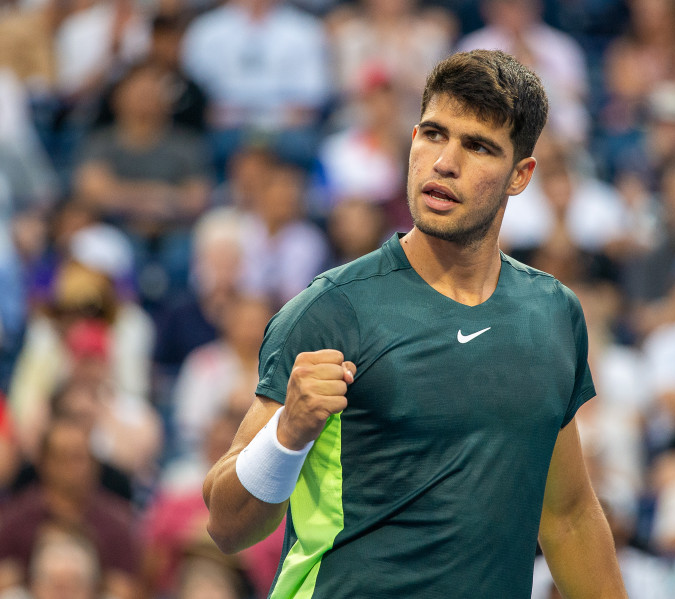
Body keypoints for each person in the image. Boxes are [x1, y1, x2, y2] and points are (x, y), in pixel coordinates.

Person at [203, 49, 627, 598]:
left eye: (476, 146)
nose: (444, 162)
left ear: (520, 175)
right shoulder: (332, 308)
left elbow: (568, 517)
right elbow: (227, 524)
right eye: (432, 134)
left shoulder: (552, 315)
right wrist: (286, 436)